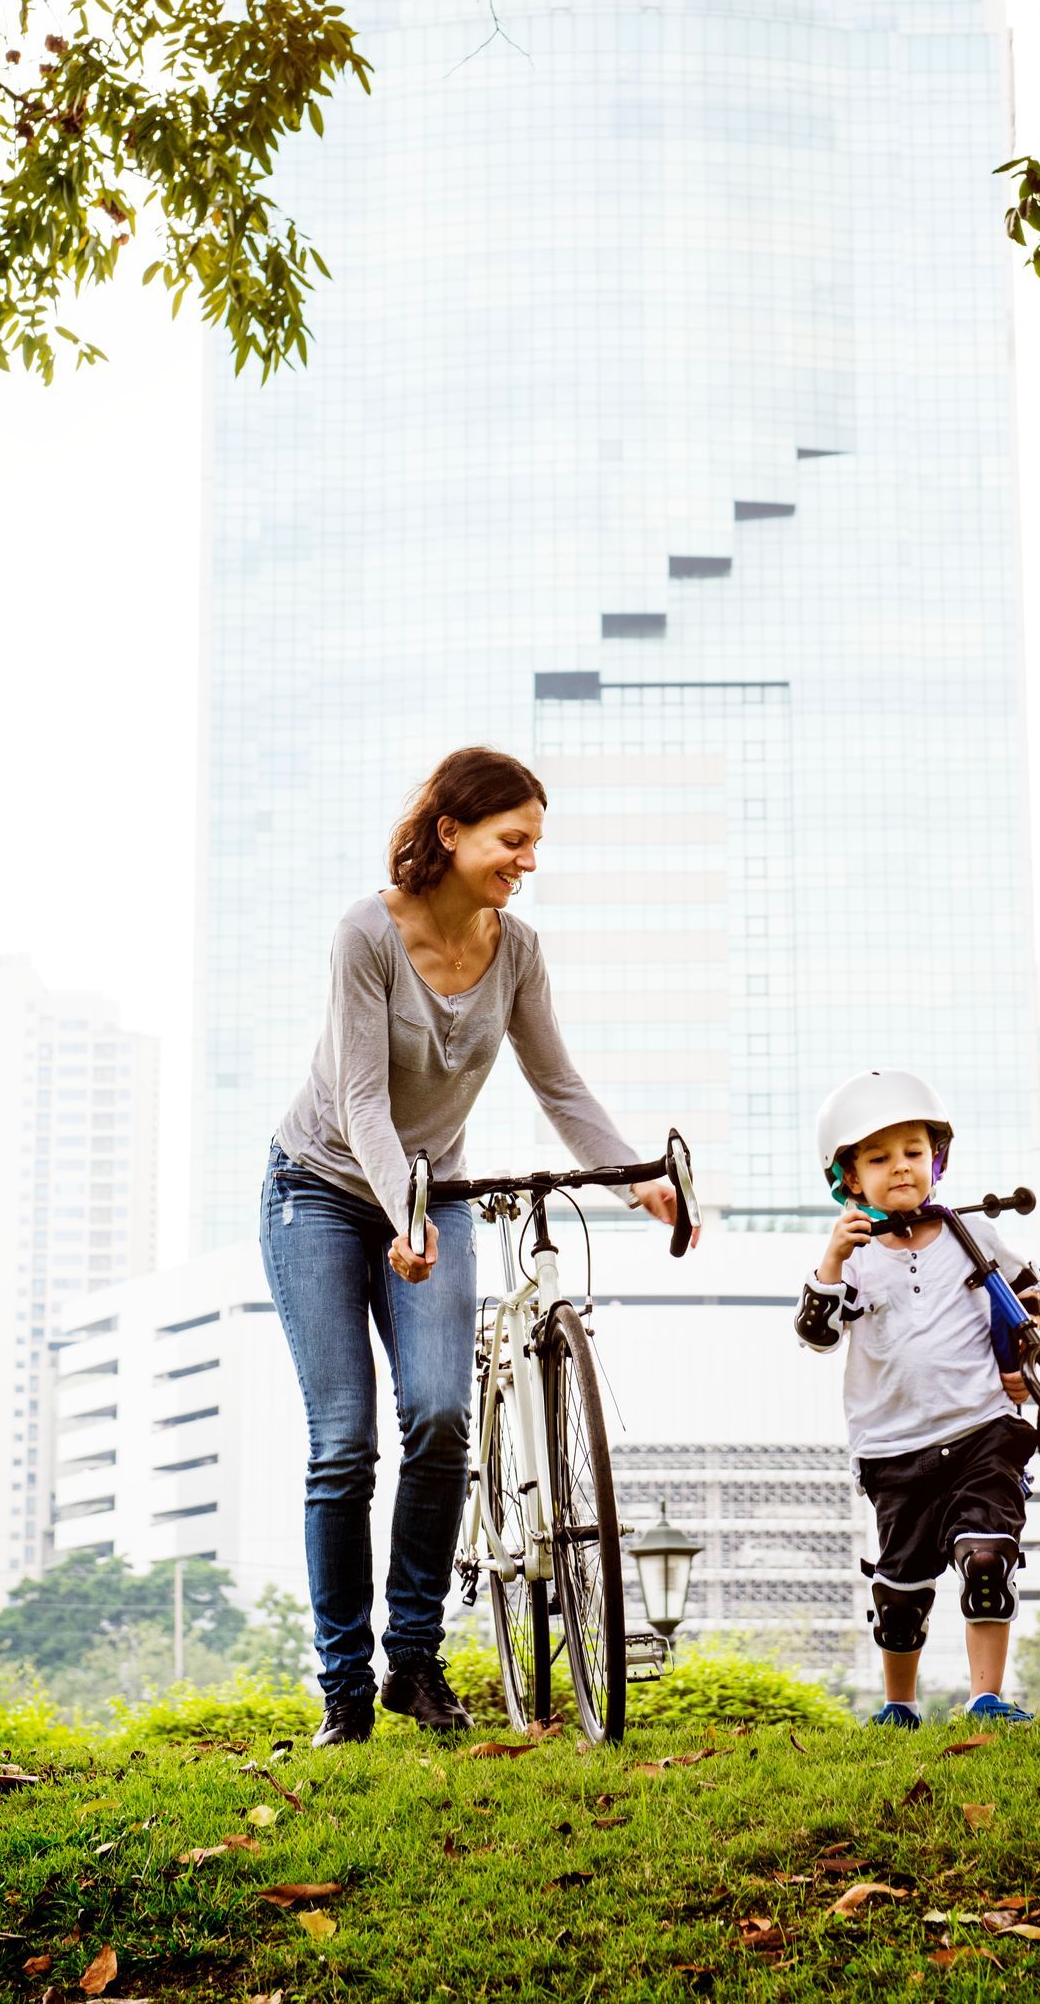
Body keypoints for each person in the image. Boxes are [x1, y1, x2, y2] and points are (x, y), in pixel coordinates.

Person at [262, 745, 684, 1747]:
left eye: (536, 842)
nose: (528, 860)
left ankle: (412, 1659)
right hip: (319, 1189)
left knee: (444, 1413)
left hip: (434, 1190)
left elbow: (560, 1086)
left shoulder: (519, 951)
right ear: (450, 834)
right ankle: (343, 1692)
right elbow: (363, 1097)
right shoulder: (367, 934)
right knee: (343, 1445)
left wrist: (635, 1179)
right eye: (513, 840)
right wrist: (395, 1213)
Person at [796, 1068, 1040, 1729]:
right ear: (850, 1179)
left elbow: (1021, 1298)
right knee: (901, 1591)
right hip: (895, 1447)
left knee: (988, 1556)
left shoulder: (971, 1236)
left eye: (912, 1152)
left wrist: (1016, 1361)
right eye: (878, 1158)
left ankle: (985, 1697)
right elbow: (817, 1333)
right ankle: (899, 1704)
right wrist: (829, 1261)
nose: (899, 1167)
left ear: (935, 1159)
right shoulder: (854, 1257)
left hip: (980, 1429)